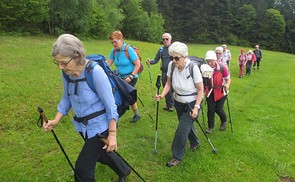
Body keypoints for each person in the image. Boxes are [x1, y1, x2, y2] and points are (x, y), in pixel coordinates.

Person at [43, 34, 131, 182]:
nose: (60, 67)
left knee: (82, 170)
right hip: (83, 127)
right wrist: (56, 120)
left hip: (100, 128)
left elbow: (110, 106)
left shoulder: (95, 72)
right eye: (57, 63)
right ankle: (124, 170)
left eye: (64, 63)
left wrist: (112, 134)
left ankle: (122, 170)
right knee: (103, 154)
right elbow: (66, 98)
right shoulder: (67, 74)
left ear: (77, 56)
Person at [156, 42, 204, 167]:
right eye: (172, 57)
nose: (174, 60)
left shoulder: (193, 68)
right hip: (178, 101)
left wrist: (196, 107)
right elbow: (168, 83)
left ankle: (176, 156)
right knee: (186, 125)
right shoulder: (172, 66)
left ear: (184, 57)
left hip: (192, 102)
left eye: (177, 58)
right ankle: (195, 142)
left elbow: (200, 90)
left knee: (181, 130)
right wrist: (162, 95)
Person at [107, 30, 141, 123]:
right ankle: (136, 114)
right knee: (128, 96)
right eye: (112, 42)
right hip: (120, 77)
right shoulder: (114, 51)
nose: (114, 44)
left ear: (121, 39)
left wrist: (131, 76)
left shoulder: (128, 50)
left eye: (115, 41)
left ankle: (115, 120)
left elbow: (137, 65)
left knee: (123, 97)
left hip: (132, 77)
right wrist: (99, 68)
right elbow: (108, 62)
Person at [204, 50, 231, 134]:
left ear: (215, 60)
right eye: (207, 61)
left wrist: (227, 85)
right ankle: (210, 127)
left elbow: (228, 79)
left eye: (211, 61)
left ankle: (224, 121)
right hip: (210, 92)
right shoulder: (204, 68)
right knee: (210, 109)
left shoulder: (222, 67)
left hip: (221, 91)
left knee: (218, 109)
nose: (209, 63)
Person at [146, 33, 174, 111]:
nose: (165, 41)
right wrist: (150, 62)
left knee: (173, 89)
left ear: (170, 39)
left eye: (167, 39)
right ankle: (169, 104)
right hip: (164, 72)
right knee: (166, 88)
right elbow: (156, 60)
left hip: (173, 72)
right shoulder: (161, 50)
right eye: (163, 39)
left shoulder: (174, 49)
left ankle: (173, 104)